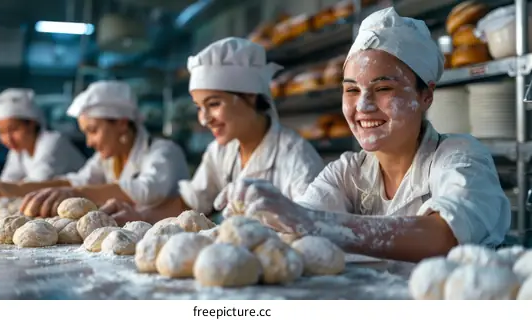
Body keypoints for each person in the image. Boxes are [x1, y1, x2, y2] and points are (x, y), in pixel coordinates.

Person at [214, 8, 511, 263]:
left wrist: (309, 221)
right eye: (352, 90)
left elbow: (443, 235)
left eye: (383, 89)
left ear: (426, 96)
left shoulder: (460, 157)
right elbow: (297, 226)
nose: (363, 106)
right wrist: (268, 215)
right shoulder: (347, 173)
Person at [101, 37, 325, 223]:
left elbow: (312, 226)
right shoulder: (220, 151)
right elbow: (190, 204)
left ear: (250, 96)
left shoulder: (296, 157)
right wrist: (138, 216)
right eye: (199, 107)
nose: (204, 119)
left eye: (214, 104)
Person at [0, 81, 190, 225]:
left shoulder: (163, 152)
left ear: (122, 124)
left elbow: (147, 190)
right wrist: (12, 188)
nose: (89, 142)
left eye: (93, 131)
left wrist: (80, 194)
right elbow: (74, 181)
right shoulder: (107, 158)